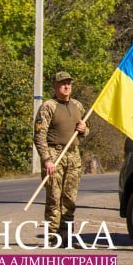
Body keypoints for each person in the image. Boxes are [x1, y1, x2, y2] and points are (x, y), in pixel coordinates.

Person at [33, 70, 89, 244]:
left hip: (73, 155)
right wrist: (47, 159)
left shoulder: (77, 106)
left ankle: (68, 236)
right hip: (54, 154)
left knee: (70, 198)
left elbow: (86, 130)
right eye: (63, 83)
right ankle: (53, 236)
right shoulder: (48, 106)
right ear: (55, 86)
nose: (67, 86)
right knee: (54, 198)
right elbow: (39, 136)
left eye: (69, 83)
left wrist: (83, 130)